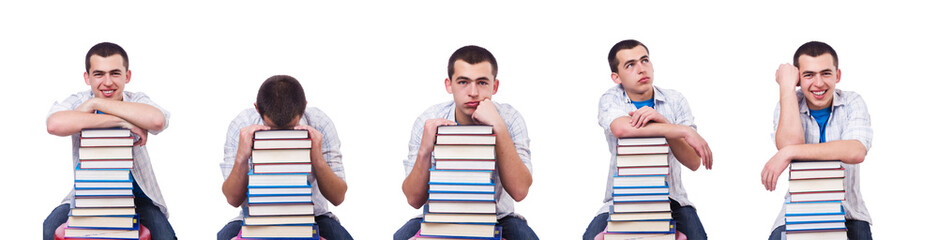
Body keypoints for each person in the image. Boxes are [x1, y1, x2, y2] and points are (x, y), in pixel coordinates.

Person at [392, 45, 539, 240]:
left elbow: (520, 192)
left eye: (482, 83)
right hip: (438, 217)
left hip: (499, 217)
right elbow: (413, 199)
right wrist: (425, 150)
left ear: (494, 86)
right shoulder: (429, 120)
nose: (473, 92)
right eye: (463, 82)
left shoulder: (510, 119)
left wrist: (499, 127)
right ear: (449, 85)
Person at [43, 42, 176, 240]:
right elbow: (54, 124)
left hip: (137, 197)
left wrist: (97, 103)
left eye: (115, 73)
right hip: (87, 196)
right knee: (50, 226)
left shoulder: (136, 99)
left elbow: (157, 120)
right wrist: (122, 122)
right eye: (99, 74)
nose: (107, 82)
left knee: (163, 235)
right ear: (87, 77)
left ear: (127, 76)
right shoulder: (79, 100)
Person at [584, 39, 713, 240]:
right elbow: (621, 129)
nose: (641, 69)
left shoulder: (675, 100)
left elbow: (694, 162)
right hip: (621, 199)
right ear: (616, 77)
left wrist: (664, 122)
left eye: (645, 60)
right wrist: (682, 131)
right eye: (630, 65)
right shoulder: (610, 99)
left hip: (672, 198)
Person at [217, 75, 353, 240]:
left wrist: (317, 158)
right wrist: (241, 158)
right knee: (224, 236)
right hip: (254, 215)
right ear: (257, 109)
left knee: (339, 236)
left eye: (290, 128)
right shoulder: (242, 125)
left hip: (313, 215)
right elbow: (233, 199)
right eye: (271, 129)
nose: (280, 137)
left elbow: (338, 197)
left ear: (304, 108)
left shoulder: (319, 123)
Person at [763, 41, 873, 240]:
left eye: (826, 73)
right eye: (808, 75)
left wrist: (788, 153)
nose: (819, 83)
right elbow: (789, 143)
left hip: (849, 213)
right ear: (798, 79)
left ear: (837, 75)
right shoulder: (788, 103)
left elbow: (856, 151)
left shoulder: (852, 102)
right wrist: (786, 87)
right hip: (797, 210)